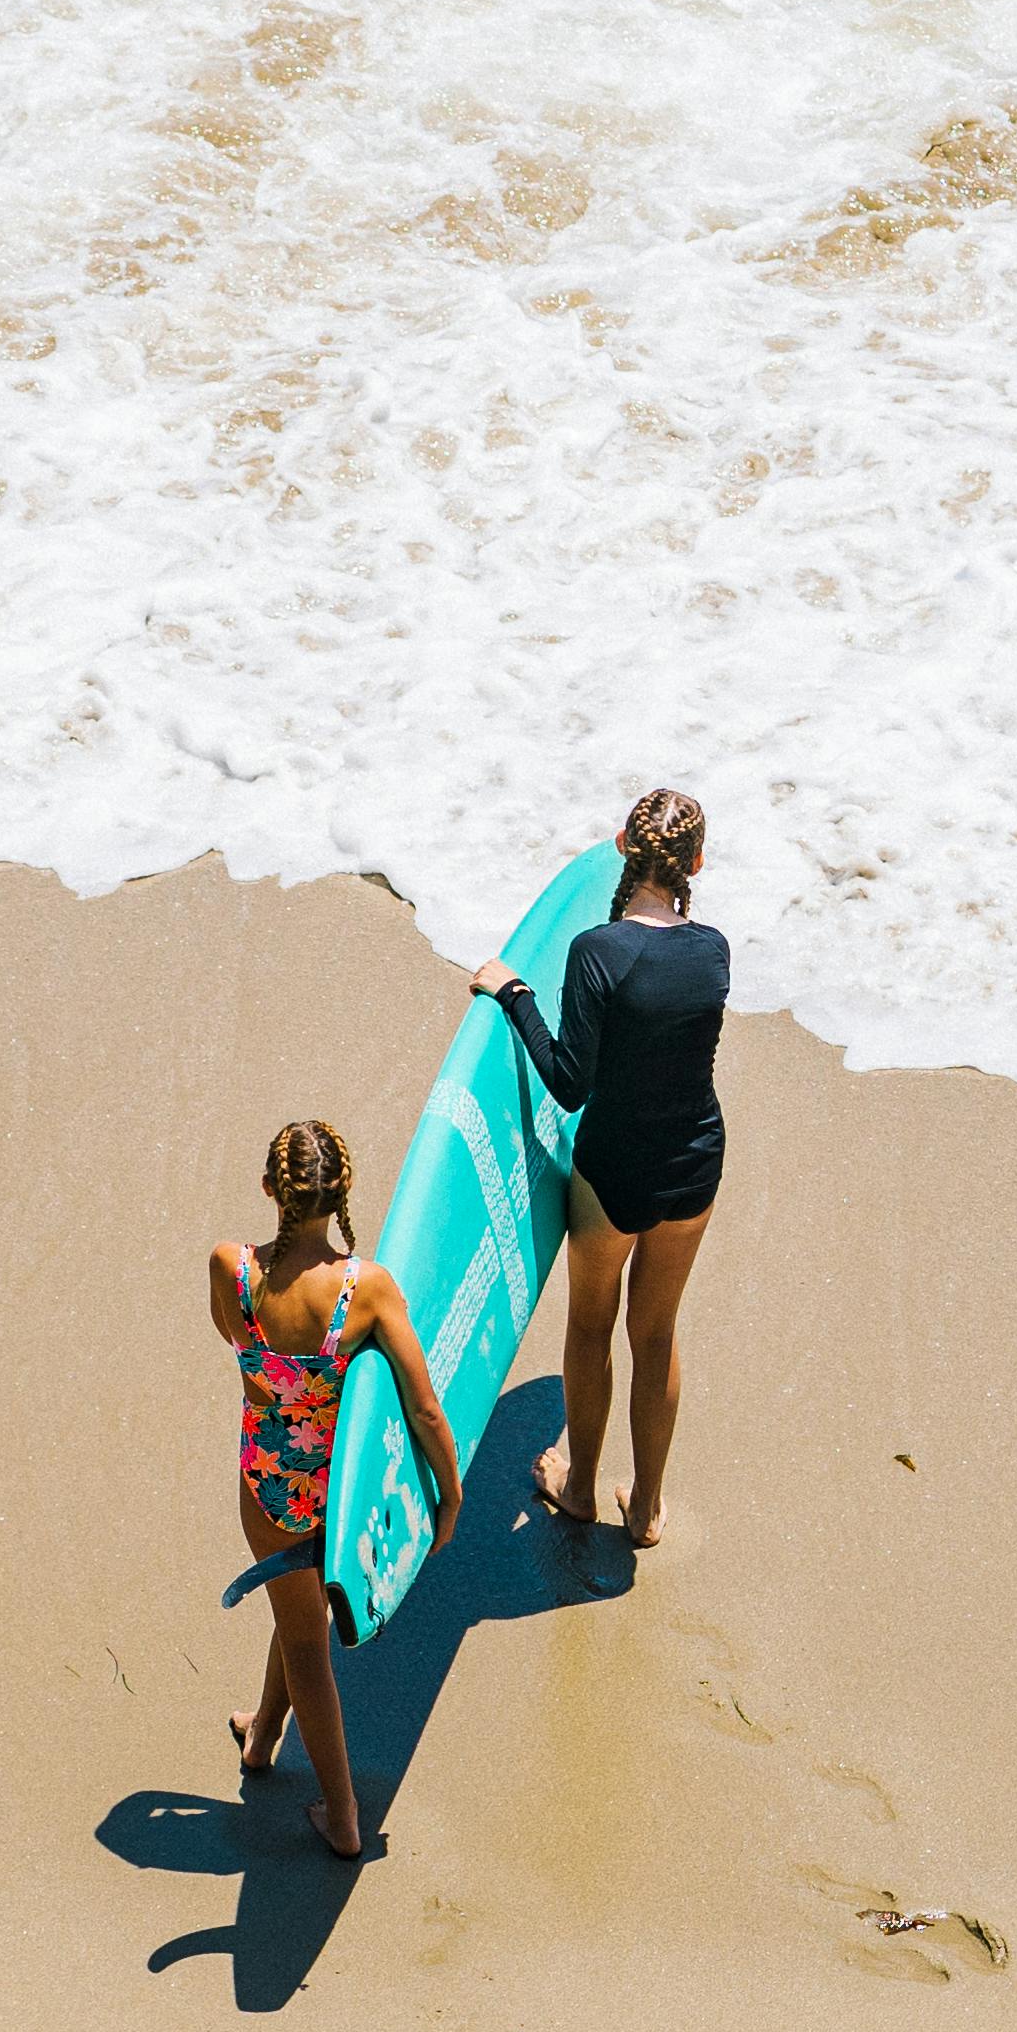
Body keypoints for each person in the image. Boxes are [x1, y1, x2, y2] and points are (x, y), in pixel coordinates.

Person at [470, 787, 726, 1549]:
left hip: (615, 1170)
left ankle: (579, 1487)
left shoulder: (598, 953)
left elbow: (570, 1081)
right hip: (693, 1163)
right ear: (698, 864)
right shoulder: (712, 951)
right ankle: (645, 1509)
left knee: (590, 1323)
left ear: (622, 844)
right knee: (656, 1332)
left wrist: (513, 995)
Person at [210, 1118, 457, 1861]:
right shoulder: (366, 1289)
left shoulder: (231, 1268)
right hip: (344, 1493)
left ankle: (263, 1737)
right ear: (343, 1193)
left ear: (269, 1190)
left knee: (297, 1619)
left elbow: (238, 1347)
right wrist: (448, 1495)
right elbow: (421, 1407)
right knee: (306, 1637)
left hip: (268, 1487)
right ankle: (344, 1814)